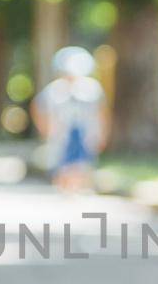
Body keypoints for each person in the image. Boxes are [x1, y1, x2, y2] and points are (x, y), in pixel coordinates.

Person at [30, 45, 108, 193]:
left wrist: (102, 132)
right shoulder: (54, 90)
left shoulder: (91, 89)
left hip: (85, 132)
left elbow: (101, 112)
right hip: (61, 133)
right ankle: (65, 190)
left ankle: (81, 190)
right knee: (62, 161)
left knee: (84, 162)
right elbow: (39, 109)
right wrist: (45, 129)